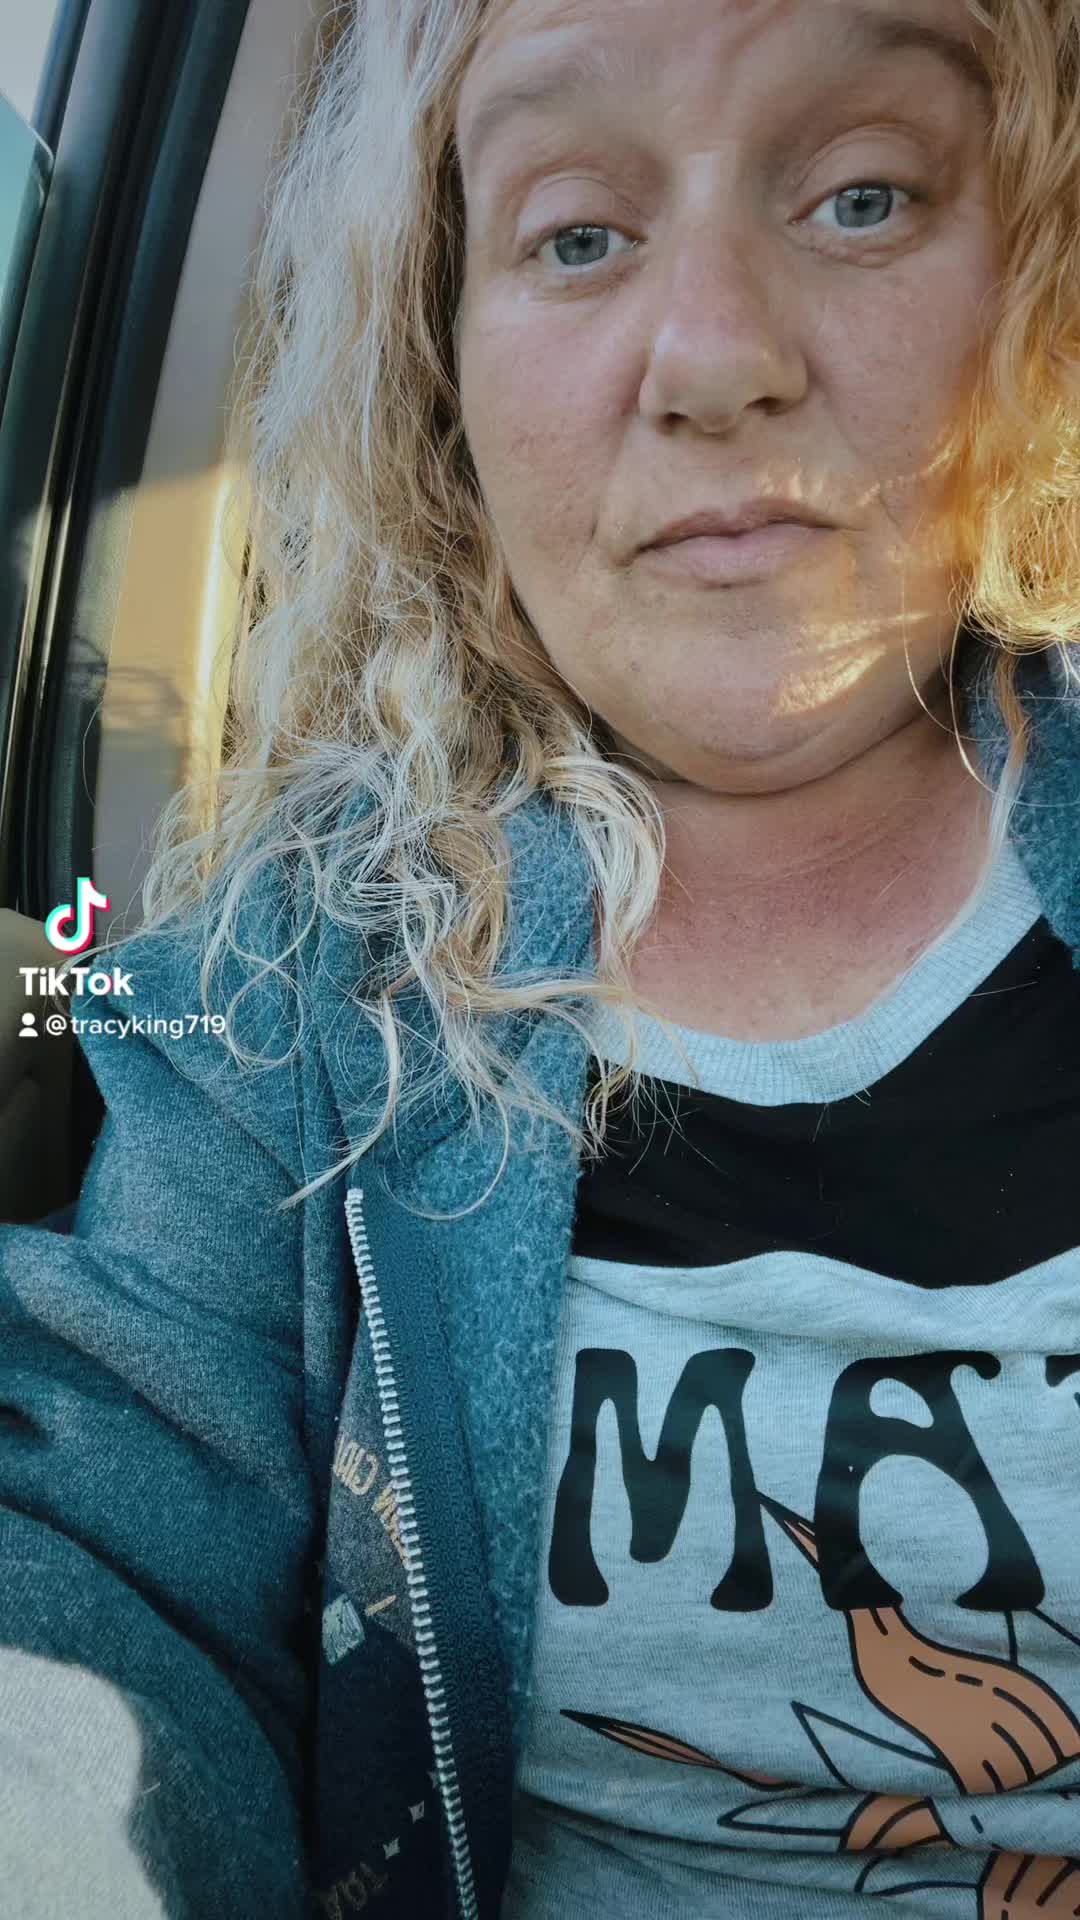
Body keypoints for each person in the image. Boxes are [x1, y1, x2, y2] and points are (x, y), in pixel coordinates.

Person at [2, 0, 1080, 1914]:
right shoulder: (293, 986)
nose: (717, 358)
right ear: (445, 373)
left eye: (861, 195)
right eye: (578, 235)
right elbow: (107, 1572)